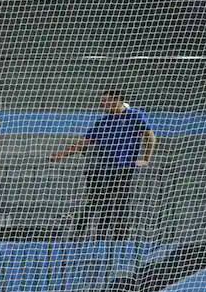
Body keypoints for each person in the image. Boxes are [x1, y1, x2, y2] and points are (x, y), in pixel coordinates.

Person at [50, 90, 156, 239]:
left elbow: (149, 136)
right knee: (99, 201)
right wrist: (62, 154)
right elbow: (85, 142)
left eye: (106, 100)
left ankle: (120, 237)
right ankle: (96, 234)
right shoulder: (103, 122)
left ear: (117, 100)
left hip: (123, 167)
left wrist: (146, 158)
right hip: (102, 168)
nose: (102, 104)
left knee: (120, 201)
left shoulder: (134, 116)